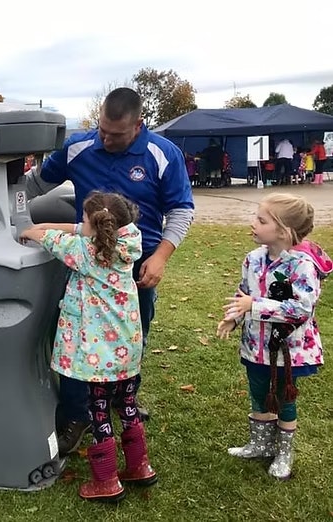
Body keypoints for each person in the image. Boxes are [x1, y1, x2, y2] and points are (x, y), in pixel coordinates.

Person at [26, 87, 194, 455]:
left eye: (116, 134)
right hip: (86, 262)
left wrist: (162, 256)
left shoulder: (162, 154)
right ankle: (77, 413)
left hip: (138, 264)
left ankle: (121, 399)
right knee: (76, 336)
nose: (106, 138)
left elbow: (181, 209)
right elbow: (36, 183)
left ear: (138, 125)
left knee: (131, 335)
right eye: (102, 129)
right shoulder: (79, 147)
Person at [20, 191, 157, 502]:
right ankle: (139, 466)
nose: (79, 224)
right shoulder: (130, 240)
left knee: (99, 415)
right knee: (127, 406)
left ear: (96, 226)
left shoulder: (84, 253)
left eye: (83, 219)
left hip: (97, 357)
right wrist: (78, 225)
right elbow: (76, 229)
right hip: (125, 351)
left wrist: (28, 230)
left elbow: (50, 238)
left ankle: (106, 481)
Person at [216, 193, 332, 480]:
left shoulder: (302, 265)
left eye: (261, 219)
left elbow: (302, 308)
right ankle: (260, 444)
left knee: (283, 398)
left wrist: (255, 306)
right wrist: (234, 318)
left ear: (283, 230)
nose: (252, 223)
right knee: (258, 393)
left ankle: (284, 453)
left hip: (287, 350)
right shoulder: (253, 258)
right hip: (255, 346)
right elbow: (243, 293)